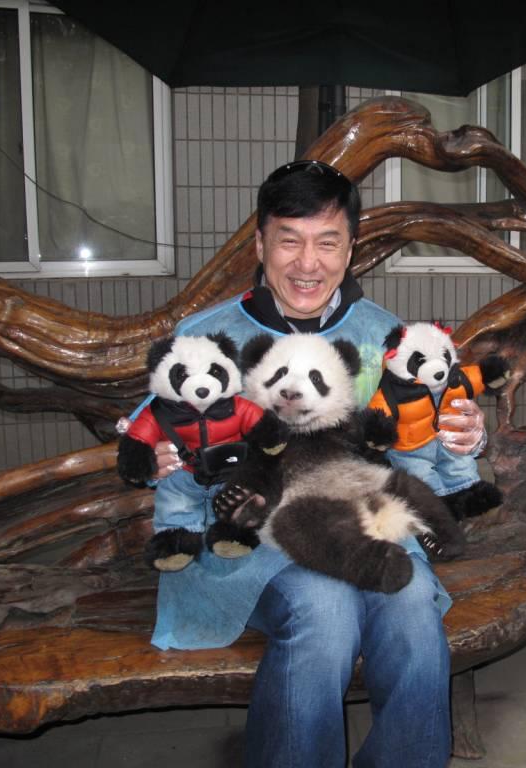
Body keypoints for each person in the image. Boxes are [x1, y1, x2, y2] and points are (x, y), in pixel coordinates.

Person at [129, 159, 488, 767]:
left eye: (328, 242)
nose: (307, 263)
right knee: (324, 608)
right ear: (260, 242)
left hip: (358, 520)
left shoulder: (385, 337)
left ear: (351, 251)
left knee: (409, 602)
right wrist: (158, 457)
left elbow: (412, 440)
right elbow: (155, 428)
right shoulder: (210, 334)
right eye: (288, 240)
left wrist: (465, 438)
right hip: (243, 542)